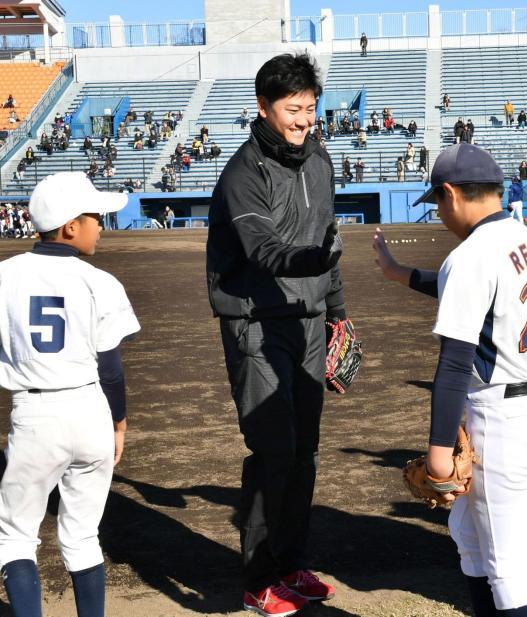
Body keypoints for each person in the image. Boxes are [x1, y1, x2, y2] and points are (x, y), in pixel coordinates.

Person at [371, 142, 527, 617]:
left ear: (452, 193)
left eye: (437, 201)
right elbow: (472, 289)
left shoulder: (471, 253)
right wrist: (402, 274)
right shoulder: (525, 236)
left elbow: (455, 361)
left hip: (505, 418)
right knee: (468, 534)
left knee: (509, 572)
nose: (438, 212)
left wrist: (439, 449)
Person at [0, 172, 137, 617]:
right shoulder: (102, 282)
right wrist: (118, 424)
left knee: (17, 536)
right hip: (91, 409)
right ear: (70, 226)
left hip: (36, 415)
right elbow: (111, 372)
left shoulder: (1, 275)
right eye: (95, 216)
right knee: (82, 536)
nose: (101, 224)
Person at [206, 52, 346, 617]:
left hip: (310, 323)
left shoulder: (321, 160)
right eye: (294, 110)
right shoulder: (242, 173)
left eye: (311, 108)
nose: (305, 120)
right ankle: (258, 579)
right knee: (274, 450)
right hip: (254, 325)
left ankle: (289, 565)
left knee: (306, 452)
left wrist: (338, 311)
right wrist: (315, 259)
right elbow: (262, 250)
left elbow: (329, 242)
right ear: (263, 107)